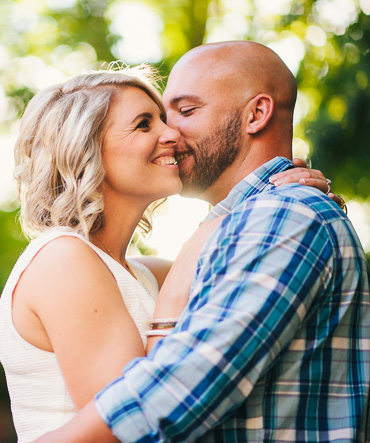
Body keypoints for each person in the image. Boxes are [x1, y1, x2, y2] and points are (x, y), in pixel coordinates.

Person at [37, 41, 370, 442]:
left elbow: (177, 393)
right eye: (149, 123)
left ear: (257, 115)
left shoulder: (281, 216)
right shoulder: (240, 227)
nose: (170, 132)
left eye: (186, 111)